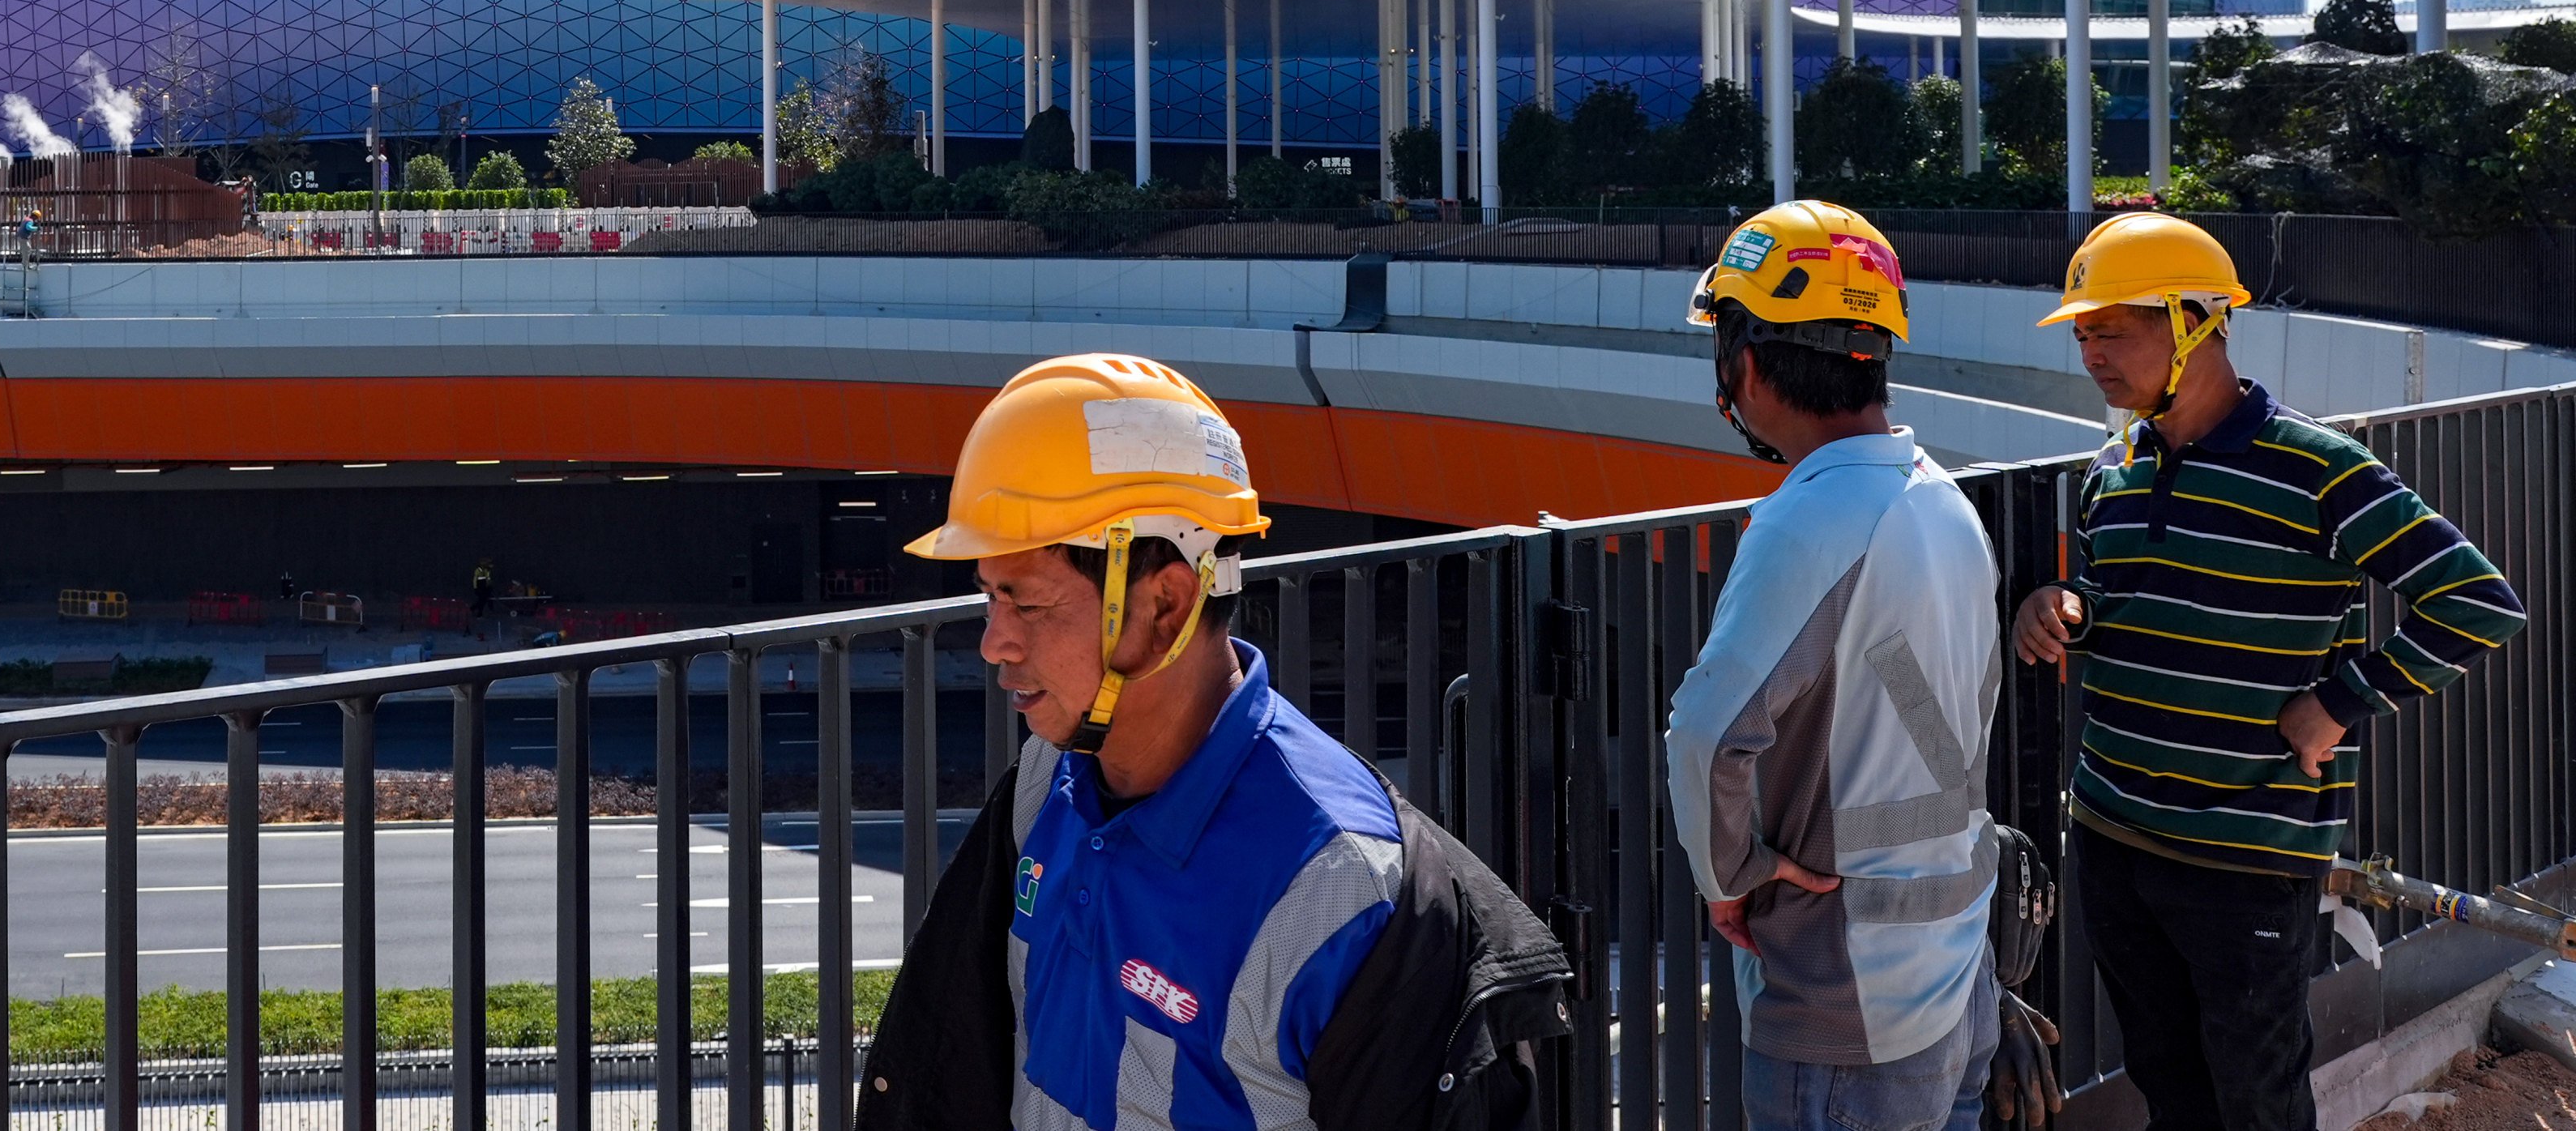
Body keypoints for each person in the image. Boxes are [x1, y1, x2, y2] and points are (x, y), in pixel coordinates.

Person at [857, 353, 1570, 1131]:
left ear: (1166, 602)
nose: (993, 642)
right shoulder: (1045, 782)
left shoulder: (1341, 890)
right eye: (989, 597)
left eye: (1027, 603)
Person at [2011, 212, 2523, 1131]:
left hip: (2246, 854)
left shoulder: (2318, 468)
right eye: (2082, 332)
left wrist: (2339, 700)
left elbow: (2477, 603)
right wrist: (2061, 610)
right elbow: (2109, 601)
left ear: (2199, 321)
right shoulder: (2111, 470)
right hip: (2112, 832)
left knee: (2256, 1100)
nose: (2090, 352)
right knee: (2168, 1085)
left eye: (2113, 328)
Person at [1661, 202, 2008, 1131]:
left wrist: (1730, 878)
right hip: (1953, 961)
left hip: (1846, 998)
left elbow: (1705, 735)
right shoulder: (1942, 500)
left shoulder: (1810, 518)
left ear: (1744, 361)